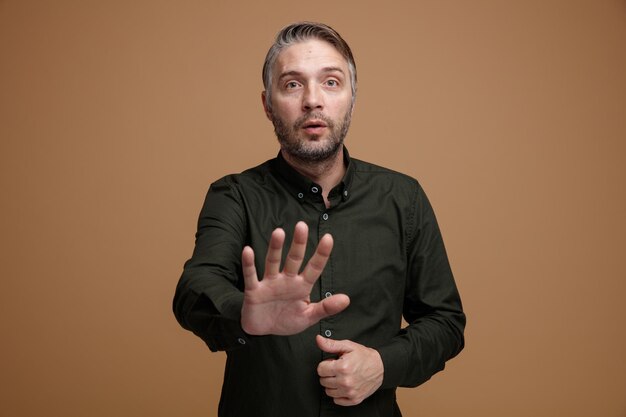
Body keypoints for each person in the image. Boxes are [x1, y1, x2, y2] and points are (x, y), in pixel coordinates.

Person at [173, 22, 465, 417]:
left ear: (351, 98)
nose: (313, 100)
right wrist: (243, 313)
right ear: (267, 104)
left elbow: (444, 321)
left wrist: (383, 365)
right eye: (292, 85)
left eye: (331, 82)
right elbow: (194, 288)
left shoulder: (403, 198)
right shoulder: (234, 195)